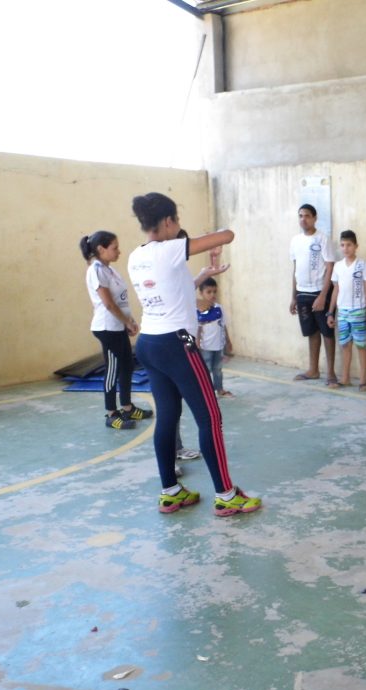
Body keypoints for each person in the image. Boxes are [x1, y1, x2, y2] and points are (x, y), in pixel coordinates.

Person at [127, 192, 261, 516]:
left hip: (149, 343)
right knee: (210, 417)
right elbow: (227, 235)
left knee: (168, 417)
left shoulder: (136, 256)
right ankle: (227, 496)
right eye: (177, 221)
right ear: (168, 222)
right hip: (177, 343)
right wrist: (204, 241)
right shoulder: (171, 248)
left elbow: (176, 289)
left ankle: (170, 491)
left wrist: (204, 273)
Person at [79, 230, 153, 430]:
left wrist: (129, 320)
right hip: (107, 327)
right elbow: (109, 304)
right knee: (112, 371)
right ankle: (111, 414)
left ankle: (127, 407)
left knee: (127, 367)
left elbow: (120, 301)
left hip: (118, 325)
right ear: (101, 249)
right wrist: (126, 322)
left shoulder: (109, 269)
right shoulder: (96, 270)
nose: (118, 251)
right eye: (114, 248)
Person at [289, 204, 338, 385]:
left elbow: (330, 267)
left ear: (315, 218)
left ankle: (331, 373)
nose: (303, 219)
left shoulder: (323, 239)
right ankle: (313, 370)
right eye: (300, 216)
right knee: (311, 332)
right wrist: (293, 296)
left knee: (327, 332)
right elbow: (295, 269)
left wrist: (323, 296)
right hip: (303, 292)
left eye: (307, 216)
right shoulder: (295, 241)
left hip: (320, 292)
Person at [328, 230, 366, 390]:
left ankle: (363, 380)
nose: (345, 248)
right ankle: (345, 378)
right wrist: (330, 312)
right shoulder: (338, 266)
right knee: (345, 345)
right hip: (342, 313)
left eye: (349, 245)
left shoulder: (363, 265)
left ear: (356, 246)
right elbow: (335, 290)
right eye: (342, 245)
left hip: (359, 311)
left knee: (360, 345)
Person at [196, 275, 233, 397]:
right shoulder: (198, 310)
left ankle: (220, 389)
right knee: (206, 370)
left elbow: (223, 325)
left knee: (218, 369)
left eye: (214, 292)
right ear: (201, 293)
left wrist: (228, 341)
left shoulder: (219, 308)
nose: (212, 295)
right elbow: (198, 328)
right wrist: (197, 343)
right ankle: (207, 392)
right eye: (208, 292)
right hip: (205, 346)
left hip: (218, 346)